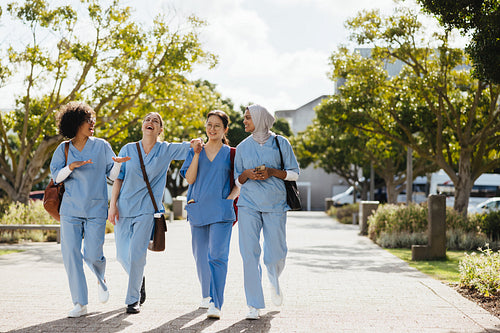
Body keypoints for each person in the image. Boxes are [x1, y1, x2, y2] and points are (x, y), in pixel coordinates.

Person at [108, 112, 203, 314]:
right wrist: (112, 205)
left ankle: (132, 300)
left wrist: (197, 142)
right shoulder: (128, 148)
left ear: (160, 129)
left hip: (146, 211)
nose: (150, 122)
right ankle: (138, 278)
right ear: (142, 126)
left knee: (137, 255)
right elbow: (118, 178)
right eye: (147, 120)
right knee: (121, 256)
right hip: (124, 208)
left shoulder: (165, 149)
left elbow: (191, 146)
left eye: (155, 121)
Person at [50, 101, 130, 318]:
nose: (92, 122)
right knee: (71, 255)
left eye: (92, 119)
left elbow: (111, 176)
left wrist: (119, 164)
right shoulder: (63, 149)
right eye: (87, 120)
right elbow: (55, 177)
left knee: (93, 253)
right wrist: (70, 167)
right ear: (76, 123)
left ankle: (100, 277)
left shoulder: (102, 146)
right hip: (70, 210)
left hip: (95, 209)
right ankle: (80, 302)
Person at [233, 104, 300, 320]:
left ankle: (274, 277)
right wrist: (246, 175)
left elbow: (294, 174)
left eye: (248, 117)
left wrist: (272, 172)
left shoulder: (281, 143)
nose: (244, 121)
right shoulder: (242, 147)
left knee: (276, 253)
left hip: (276, 204)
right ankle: (254, 304)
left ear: (261, 119)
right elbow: (237, 180)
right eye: (244, 117)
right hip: (248, 205)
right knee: (249, 253)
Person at [180, 110, 240, 319]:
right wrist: (196, 153)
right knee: (200, 257)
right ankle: (206, 295)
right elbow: (189, 178)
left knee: (217, 256)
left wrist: (230, 199)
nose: (212, 129)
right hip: (198, 209)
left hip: (222, 212)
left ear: (225, 129)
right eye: (209, 124)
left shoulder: (232, 153)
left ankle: (216, 302)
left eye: (217, 125)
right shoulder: (196, 150)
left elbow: (240, 181)